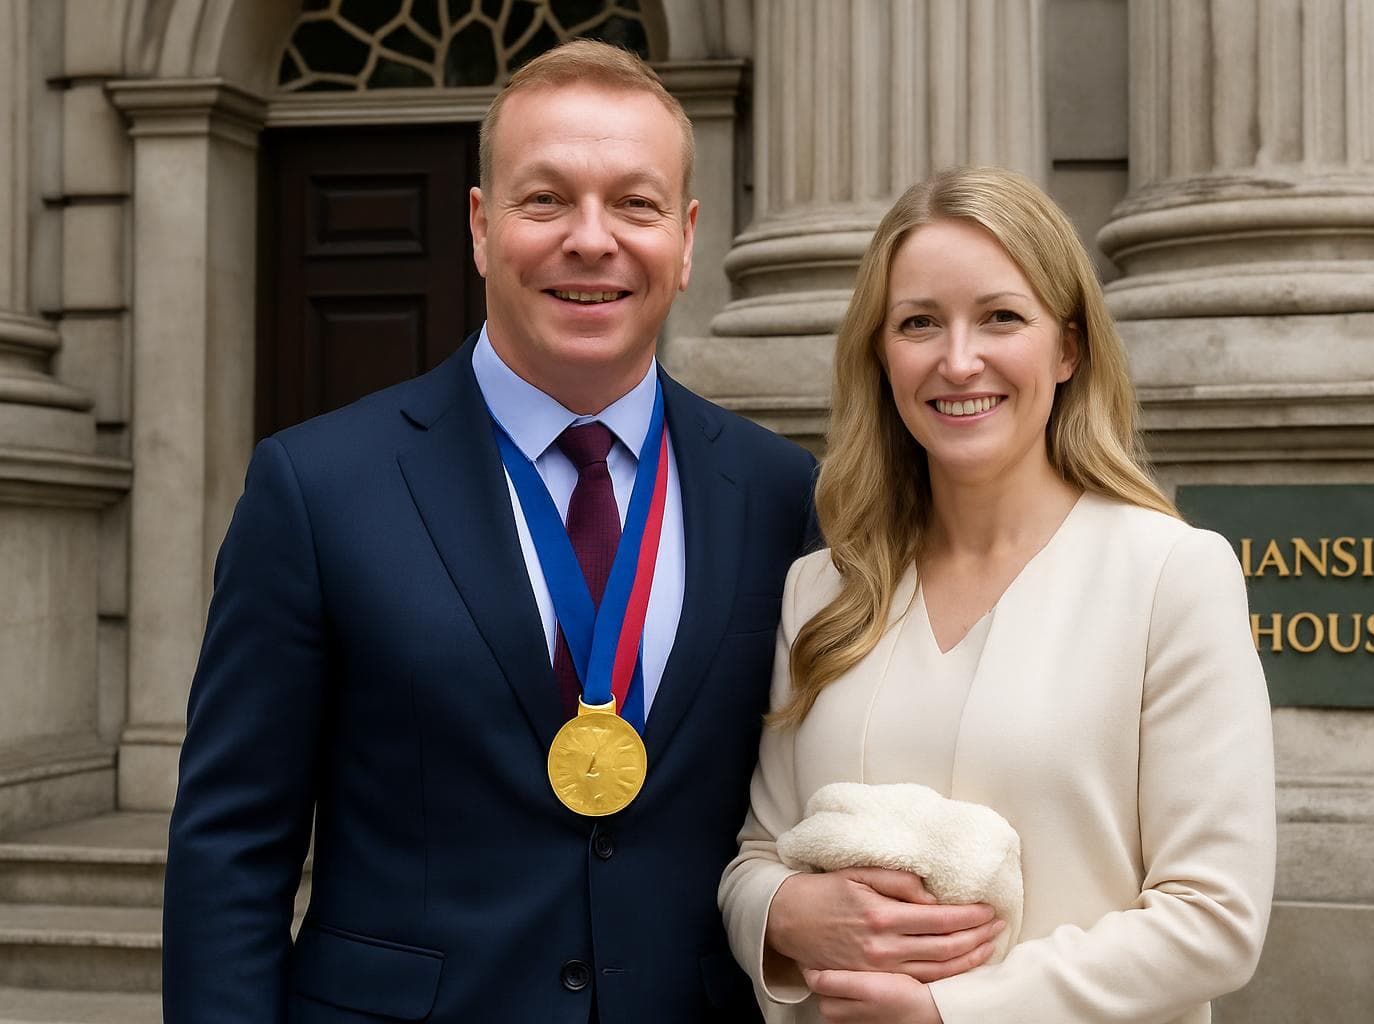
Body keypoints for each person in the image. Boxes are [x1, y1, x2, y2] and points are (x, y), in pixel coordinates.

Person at [163, 40, 817, 1023]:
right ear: (481, 226)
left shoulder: (778, 491)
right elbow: (231, 848)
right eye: (545, 199)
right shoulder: (316, 487)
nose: (591, 239)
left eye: (634, 204)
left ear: (686, 239)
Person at [719, 167, 1276, 1024]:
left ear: (1069, 346)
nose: (959, 360)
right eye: (918, 324)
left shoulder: (1171, 575)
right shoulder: (823, 587)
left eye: (1001, 317)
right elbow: (757, 856)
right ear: (880, 353)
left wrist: (952, 1012)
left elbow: (1215, 918)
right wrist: (783, 917)